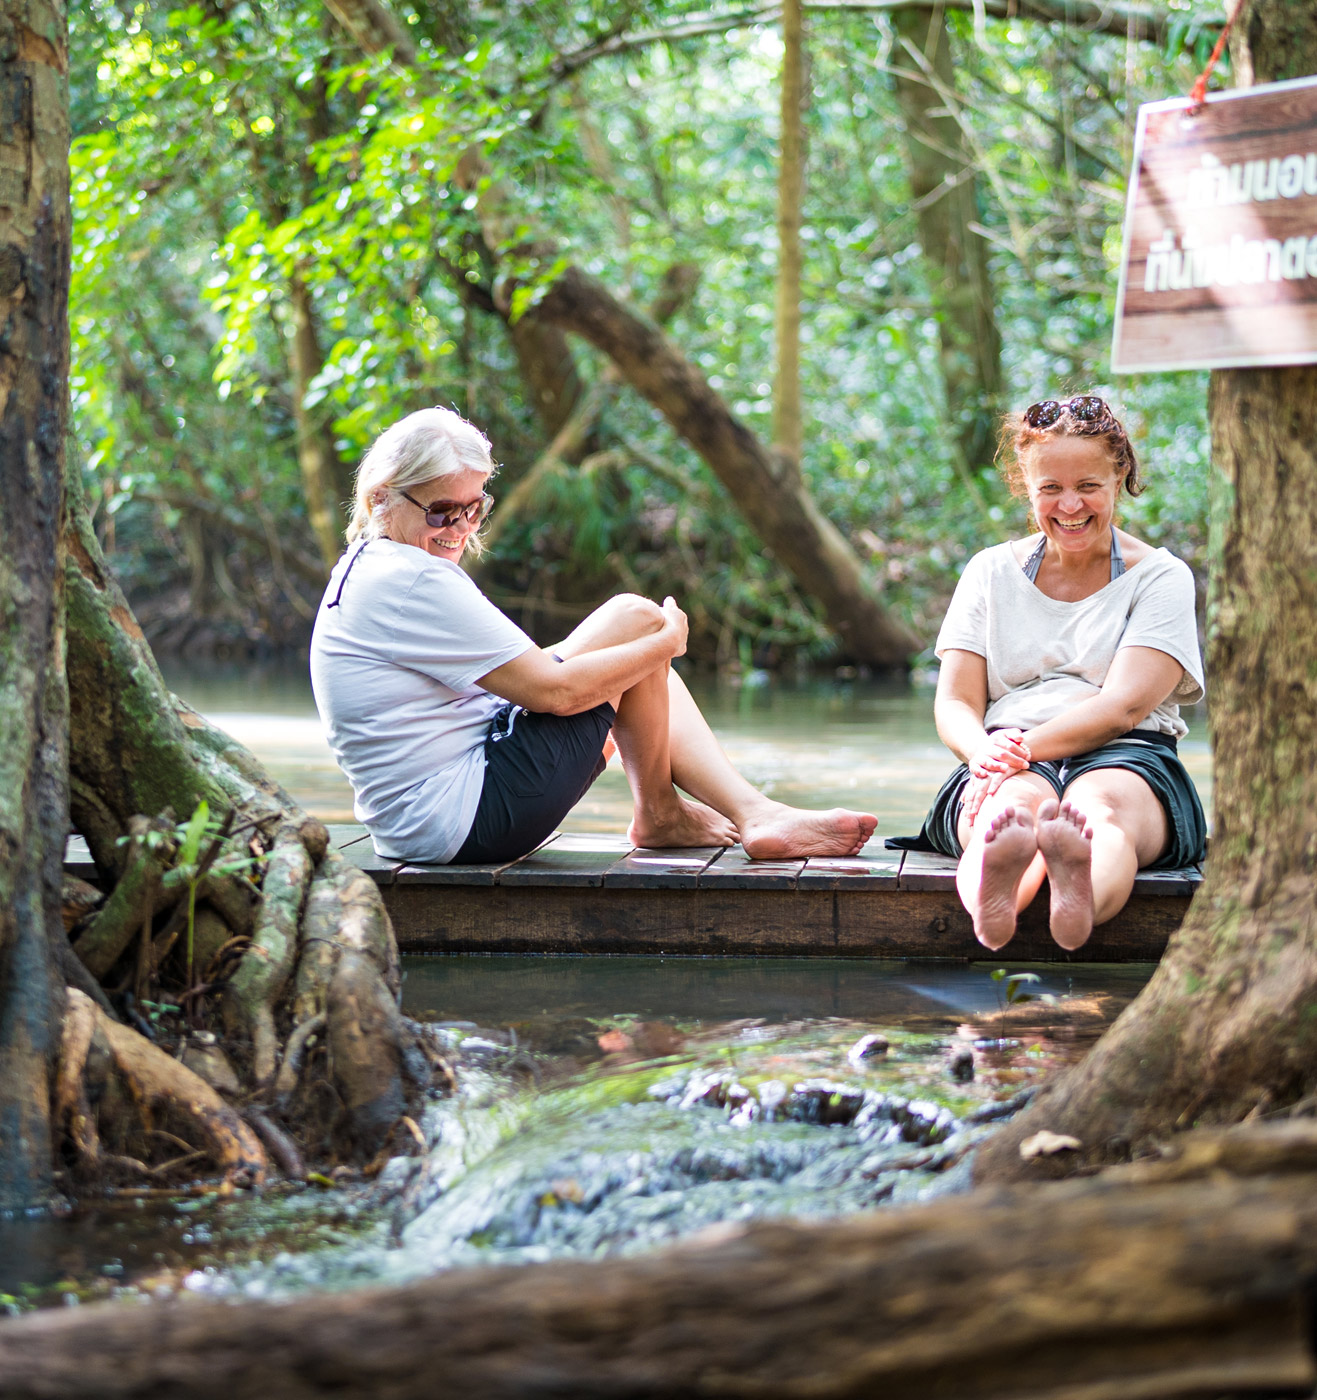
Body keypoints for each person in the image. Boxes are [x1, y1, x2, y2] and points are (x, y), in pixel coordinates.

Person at [310, 407, 878, 867]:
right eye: (441, 512)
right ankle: (667, 813)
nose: (459, 529)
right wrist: (665, 644)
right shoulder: (409, 579)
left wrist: (642, 652)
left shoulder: (372, 566)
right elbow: (552, 693)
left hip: (430, 821)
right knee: (641, 626)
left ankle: (735, 811)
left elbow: (529, 687)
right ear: (380, 498)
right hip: (467, 820)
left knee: (629, 625)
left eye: (474, 508)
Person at [888, 395, 1206, 950]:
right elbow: (957, 702)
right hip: (1003, 750)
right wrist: (981, 753)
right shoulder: (990, 571)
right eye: (1050, 489)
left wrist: (1023, 748)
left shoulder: (1161, 578)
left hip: (1127, 750)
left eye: (1088, 486)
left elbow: (1125, 707)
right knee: (1007, 812)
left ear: (1120, 475)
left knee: (1097, 812)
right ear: (1025, 488)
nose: (1070, 505)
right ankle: (997, 901)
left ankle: (1079, 892)